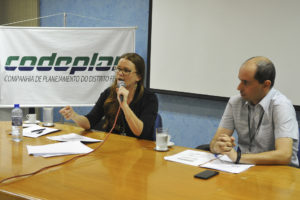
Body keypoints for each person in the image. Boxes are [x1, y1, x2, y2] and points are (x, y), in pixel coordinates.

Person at [210, 56, 299, 167]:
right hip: (243, 168)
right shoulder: (235, 102)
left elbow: (284, 156)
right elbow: (214, 143)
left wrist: (238, 157)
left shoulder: (281, 105)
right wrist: (218, 147)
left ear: (266, 85)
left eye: (246, 83)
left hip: (278, 173)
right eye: (240, 80)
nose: (239, 87)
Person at [60, 53, 158, 140]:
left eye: (126, 70)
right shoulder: (109, 93)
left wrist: (124, 106)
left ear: (138, 77)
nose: (120, 73)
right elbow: (90, 122)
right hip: (113, 146)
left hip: (140, 151)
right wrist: (74, 115)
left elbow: (140, 132)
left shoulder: (149, 98)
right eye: (118, 69)